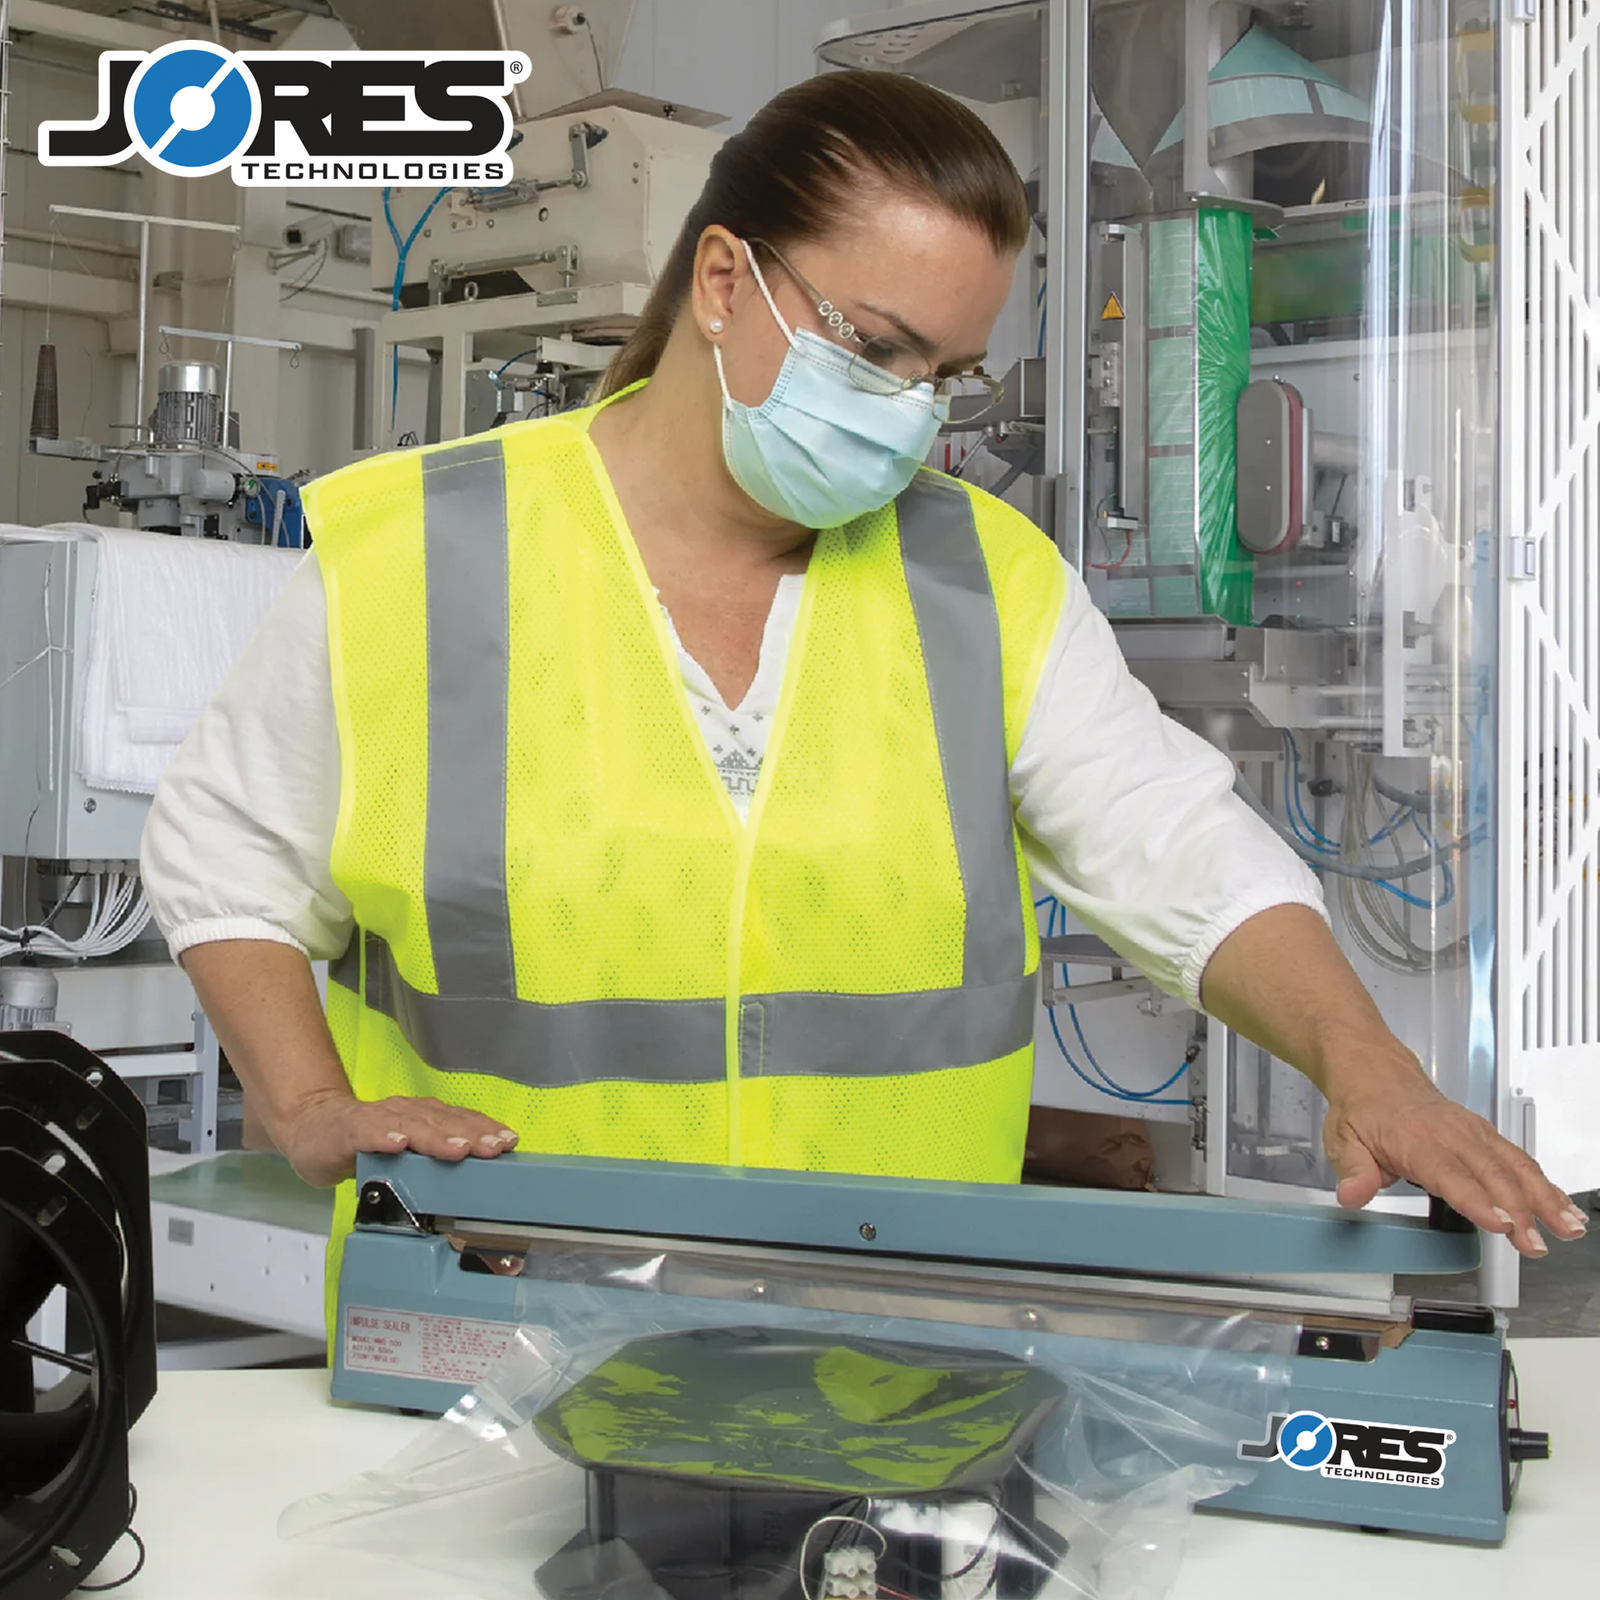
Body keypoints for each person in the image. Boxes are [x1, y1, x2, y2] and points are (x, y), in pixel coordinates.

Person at [143, 72, 1584, 1308]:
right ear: (725, 282)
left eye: (946, 374)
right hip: (492, 1325)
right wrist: (304, 1101)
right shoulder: (416, 553)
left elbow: (1177, 846)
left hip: (891, 1345)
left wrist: (1363, 1060)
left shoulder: (982, 580)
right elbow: (227, 853)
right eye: (877, 348)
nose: (908, 412)